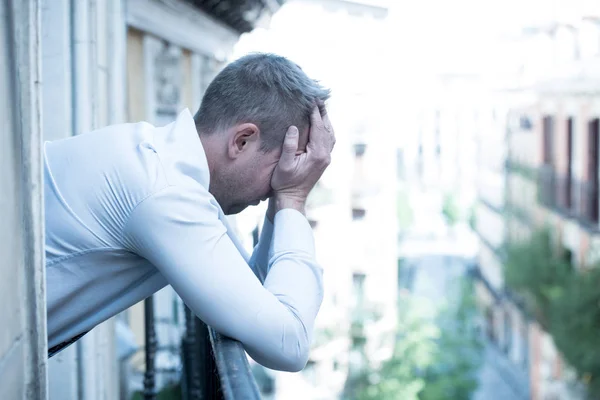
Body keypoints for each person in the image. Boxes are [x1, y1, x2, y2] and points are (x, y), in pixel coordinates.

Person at [45, 53, 335, 372]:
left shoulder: (162, 163)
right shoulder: (165, 192)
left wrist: (280, 203)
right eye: (282, 163)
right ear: (242, 141)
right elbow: (288, 344)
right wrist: (292, 196)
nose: (279, 182)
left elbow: (252, 292)